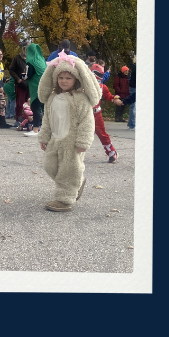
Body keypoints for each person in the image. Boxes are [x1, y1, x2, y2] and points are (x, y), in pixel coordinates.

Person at [36, 52, 100, 213]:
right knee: (50, 166)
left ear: (76, 79)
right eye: (61, 77)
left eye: (68, 78)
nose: (64, 81)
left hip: (71, 142)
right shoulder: (52, 98)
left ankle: (65, 199)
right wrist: (44, 137)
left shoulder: (81, 99)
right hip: (55, 139)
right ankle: (78, 181)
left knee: (69, 170)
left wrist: (83, 142)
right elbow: (47, 119)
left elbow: (87, 121)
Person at [89, 66, 118, 163]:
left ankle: (111, 152)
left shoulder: (102, 87)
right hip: (84, 114)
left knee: (101, 133)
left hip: (96, 114)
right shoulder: (82, 85)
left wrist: (114, 98)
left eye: (100, 74)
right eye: (96, 73)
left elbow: (108, 96)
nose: (97, 77)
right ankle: (72, 155)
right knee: (76, 133)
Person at [23, 42, 47, 135]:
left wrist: (22, 77)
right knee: (44, 109)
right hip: (44, 87)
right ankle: (45, 129)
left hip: (36, 88)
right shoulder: (42, 61)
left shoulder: (30, 61)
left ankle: (35, 130)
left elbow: (28, 75)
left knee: (35, 107)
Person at [8, 47, 29, 125]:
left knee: (29, 102)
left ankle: (27, 120)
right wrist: (17, 79)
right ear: (23, 49)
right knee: (20, 103)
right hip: (20, 83)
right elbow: (11, 70)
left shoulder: (32, 58)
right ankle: (18, 120)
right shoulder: (17, 58)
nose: (27, 51)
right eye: (26, 49)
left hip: (29, 83)